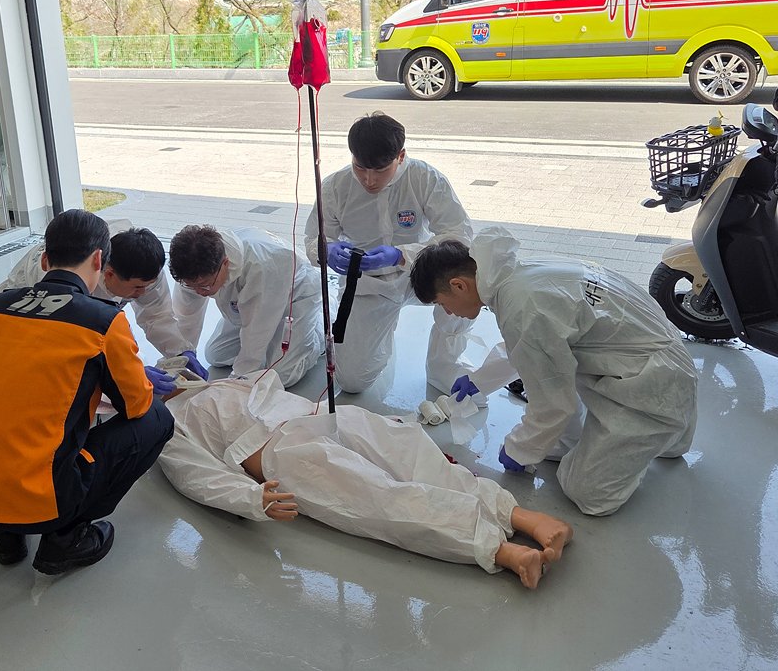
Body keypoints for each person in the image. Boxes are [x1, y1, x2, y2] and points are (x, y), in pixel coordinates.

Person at [158, 370, 573, 588]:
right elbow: (196, 477)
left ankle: (521, 516)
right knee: (377, 497)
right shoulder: (166, 426)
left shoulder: (216, 380)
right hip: (283, 457)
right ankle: (502, 551)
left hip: (318, 416)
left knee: (411, 453)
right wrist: (250, 498)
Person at [0, 209, 175, 573]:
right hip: (43, 502)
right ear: (99, 260)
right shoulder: (102, 321)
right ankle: (66, 537)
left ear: (45, 259)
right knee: (156, 418)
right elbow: (136, 405)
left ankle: (6, 534)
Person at [409, 227, 698, 517]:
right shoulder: (519, 275)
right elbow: (535, 342)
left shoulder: (521, 306)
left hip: (651, 385)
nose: (448, 312)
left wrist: (520, 448)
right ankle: (665, 433)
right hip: (660, 356)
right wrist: (479, 379)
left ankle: (655, 429)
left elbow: (553, 402)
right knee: (558, 439)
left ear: (459, 285)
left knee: (588, 494)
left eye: (442, 303)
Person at [304, 112, 476, 395]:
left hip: (421, 273)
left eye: (380, 170)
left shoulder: (425, 178)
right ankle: (365, 333)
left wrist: (401, 255)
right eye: (360, 167)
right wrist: (326, 250)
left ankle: (445, 366)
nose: (369, 180)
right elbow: (314, 238)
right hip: (368, 282)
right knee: (352, 382)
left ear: (401, 156)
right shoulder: (336, 187)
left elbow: (459, 237)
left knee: (466, 281)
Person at [0, 217, 205, 377]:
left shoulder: (142, 263)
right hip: (25, 319)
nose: (142, 293)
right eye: (136, 288)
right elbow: (67, 343)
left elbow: (156, 315)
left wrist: (181, 351)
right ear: (108, 273)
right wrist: (129, 373)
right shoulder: (68, 276)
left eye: (147, 286)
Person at [168, 225, 323, 387]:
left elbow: (257, 333)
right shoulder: (191, 266)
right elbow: (186, 317)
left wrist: (237, 382)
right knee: (216, 355)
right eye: (192, 286)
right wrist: (183, 354)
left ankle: (319, 326)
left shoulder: (262, 266)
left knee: (282, 375)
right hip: (249, 304)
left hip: (296, 294)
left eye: (205, 285)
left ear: (225, 263)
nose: (199, 292)